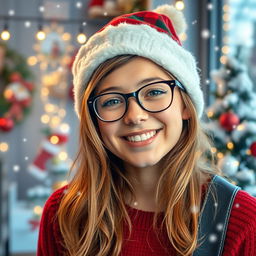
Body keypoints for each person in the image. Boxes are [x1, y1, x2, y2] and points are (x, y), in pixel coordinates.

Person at [37, 5, 256, 256]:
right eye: (111, 101)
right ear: (94, 120)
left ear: (185, 105)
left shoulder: (241, 220)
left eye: (154, 92)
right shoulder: (63, 214)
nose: (134, 116)